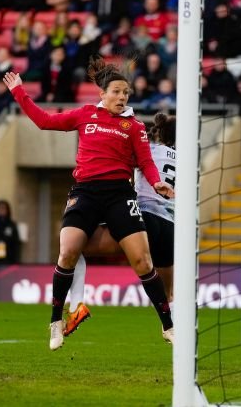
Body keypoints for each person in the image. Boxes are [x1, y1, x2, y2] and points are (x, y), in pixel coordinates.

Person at [2, 57, 175, 351]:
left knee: (143, 261)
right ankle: (57, 321)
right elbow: (44, 121)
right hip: (84, 193)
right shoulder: (84, 115)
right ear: (103, 94)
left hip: (120, 194)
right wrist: (19, 92)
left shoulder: (134, 126)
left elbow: (145, 161)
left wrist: (156, 181)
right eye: (117, 92)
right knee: (68, 251)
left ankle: (168, 326)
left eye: (126, 93)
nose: (122, 97)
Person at [63, 112, 177, 338]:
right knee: (167, 296)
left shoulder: (148, 150)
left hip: (143, 219)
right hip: (171, 229)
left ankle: (76, 307)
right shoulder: (189, 159)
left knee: (75, 246)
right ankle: (174, 334)